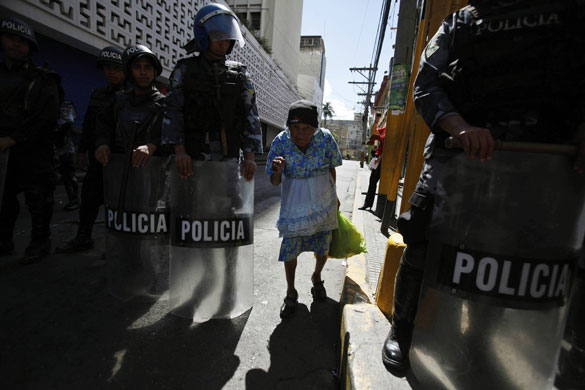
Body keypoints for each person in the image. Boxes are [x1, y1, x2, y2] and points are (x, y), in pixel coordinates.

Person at [381, 0, 585, 377]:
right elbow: (425, 84)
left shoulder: (571, 14)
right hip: (458, 159)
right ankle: (403, 329)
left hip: (543, 166)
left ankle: (480, 340)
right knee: (422, 242)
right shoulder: (464, 22)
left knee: (512, 256)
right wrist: (459, 127)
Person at [162, 2, 261, 180]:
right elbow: (172, 111)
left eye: (227, 37)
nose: (223, 44)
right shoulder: (184, 69)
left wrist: (250, 158)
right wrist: (179, 151)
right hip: (191, 156)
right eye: (218, 36)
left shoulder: (240, 73)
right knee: (189, 204)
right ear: (203, 35)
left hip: (229, 157)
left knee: (227, 205)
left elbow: (250, 116)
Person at [266, 100, 342, 319]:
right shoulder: (281, 141)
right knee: (290, 247)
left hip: (322, 198)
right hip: (294, 201)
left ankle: (317, 277)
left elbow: (331, 168)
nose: (300, 133)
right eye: (295, 128)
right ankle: (291, 291)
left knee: (322, 245)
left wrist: (334, 197)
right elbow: (273, 182)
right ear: (288, 127)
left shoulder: (326, 138)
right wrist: (278, 170)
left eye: (306, 128)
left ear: (314, 128)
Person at [0, 16, 61, 264]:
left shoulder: (43, 79)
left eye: (21, 41)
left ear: (30, 47)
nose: (15, 45)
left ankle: (40, 242)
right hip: (3, 152)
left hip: (33, 150)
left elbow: (47, 116)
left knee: (38, 200)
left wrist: (14, 138)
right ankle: (4, 241)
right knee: (4, 200)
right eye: (10, 39)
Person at [56, 46, 125, 253]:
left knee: (121, 203)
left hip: (121, 158)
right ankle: (84, 237)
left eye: (116, 68)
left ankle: (119, 245)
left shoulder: (132, 95)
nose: (111, 72)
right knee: (89, 199)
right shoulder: (98, 93)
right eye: (107, 68)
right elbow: (88, 124)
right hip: (98, 156)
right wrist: (82, 150)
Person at [94, 44, 165, 168]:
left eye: (148, 67)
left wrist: (152, 146)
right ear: (129, 72)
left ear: (154, 72)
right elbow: (103, 127)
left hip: (150, 172)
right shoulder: (118, 100)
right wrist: (102, 144)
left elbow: (173, 136)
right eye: (137, 67)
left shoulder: (164, 104)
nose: (143, 72)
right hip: (117, 169)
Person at [53, 90, 80, 211]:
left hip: (64, 147)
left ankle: (74, 199)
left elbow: (67, 125)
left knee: (68, 174)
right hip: (49, 147)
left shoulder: (65, 106)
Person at [359, 126, 385, 211]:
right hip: (378, 158)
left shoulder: (392, 128)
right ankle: (368, 203)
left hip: (383, 160)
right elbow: (374, 135)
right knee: (372, 182)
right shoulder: (383, 129)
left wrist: (380, 158)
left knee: (377, 183)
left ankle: (383, 208)